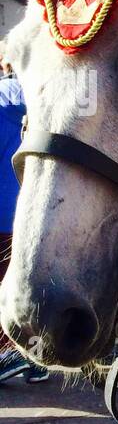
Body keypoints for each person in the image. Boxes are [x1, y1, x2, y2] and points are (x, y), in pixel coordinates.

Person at [0, 73, 47, 383]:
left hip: (8, 213)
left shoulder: (8, 94)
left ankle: (15, 354)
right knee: (30, 289)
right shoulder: (25, 92)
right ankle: (36, 356)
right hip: (28, 211)